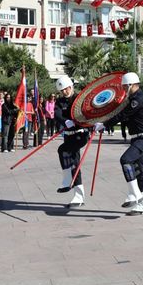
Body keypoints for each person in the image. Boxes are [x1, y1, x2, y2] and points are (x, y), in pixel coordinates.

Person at [95, 72, 143, 216]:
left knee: (125, 160)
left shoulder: (137, 99)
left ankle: (135, 195)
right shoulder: (133, 99)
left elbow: (122, 115)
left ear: (131, 85)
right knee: (140, 173)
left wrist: (104, 125)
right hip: (138, 138)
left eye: (124, 86)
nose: (122, 88)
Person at [54, 75, 89, 208]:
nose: (64, 92)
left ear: (70, 87)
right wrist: (65, 121)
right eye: (61, 91)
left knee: (62, 150)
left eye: (65, 89)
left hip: (80, 135)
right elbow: (57, 114)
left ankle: (67, 180)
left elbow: (87, 113)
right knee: (75, 163)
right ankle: (78, 196)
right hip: (68, 135)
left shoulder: (79, 99)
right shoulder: (59, 101)